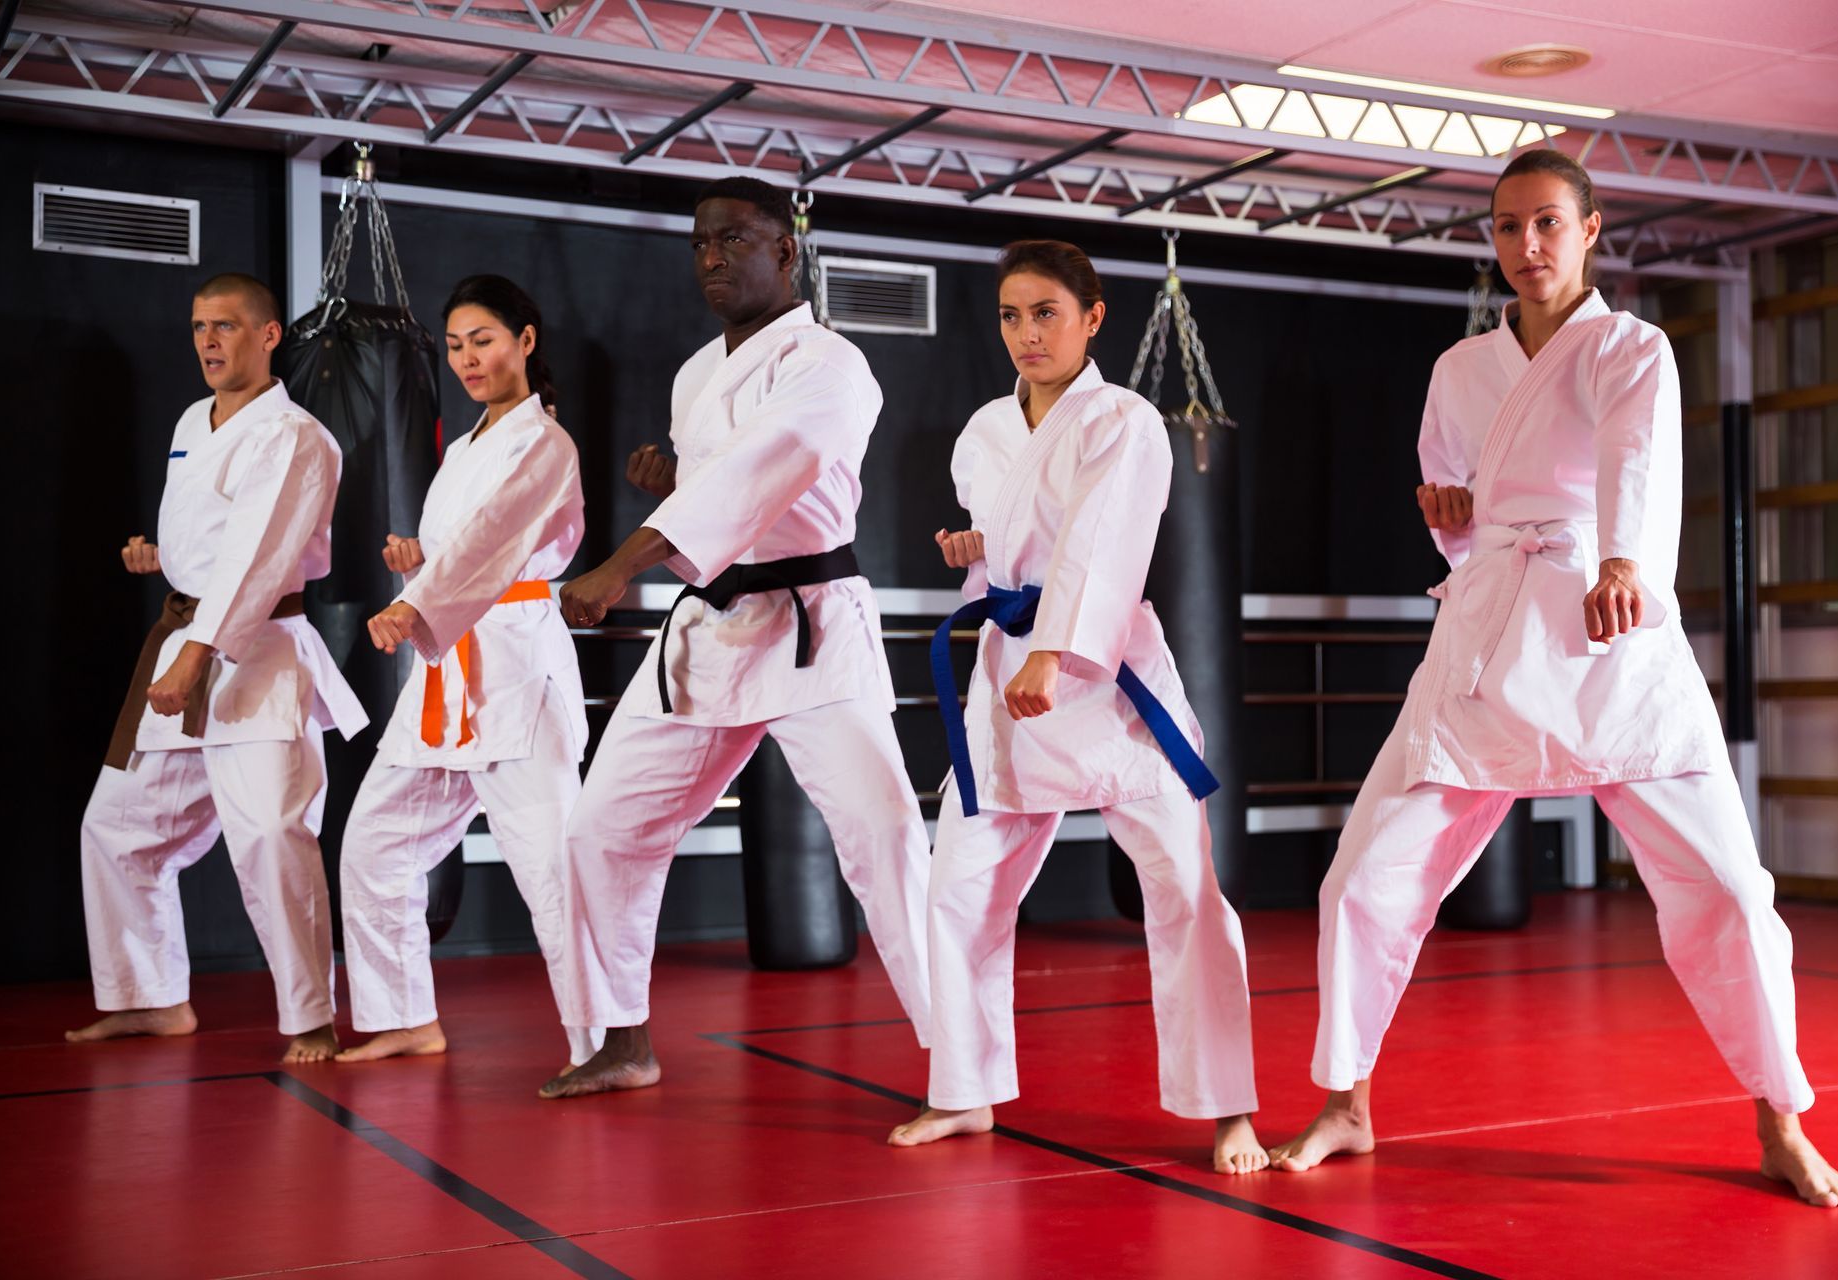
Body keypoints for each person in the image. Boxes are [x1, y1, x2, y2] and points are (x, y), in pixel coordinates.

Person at [1267, 150, 1838, 1210]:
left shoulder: (1632, 348)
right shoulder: (1461, 367)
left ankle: (1782, 1119)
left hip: (1607, 624)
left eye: (1546, 223)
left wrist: (1629, 559)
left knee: (1730, 889)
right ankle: (1348, 1101)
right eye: (1506, 227)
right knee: (1360, 880)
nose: (1526, 246)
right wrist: (1449, 519)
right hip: (1490, 634)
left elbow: (1641, 459)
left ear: (1591, 229)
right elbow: (1459, 500)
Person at [539, 176, 931, 1099]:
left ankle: (959, 1062)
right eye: (700, 246)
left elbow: (766, 472)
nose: (713, 260)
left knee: (884, 836)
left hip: (813, 627)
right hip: (711, 629)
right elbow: (724, 486)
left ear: (785, 253)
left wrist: (621, 562)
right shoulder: (693, 372)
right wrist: (674, 475)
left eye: (734, 242)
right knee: (602, 830)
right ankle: (623, 1039)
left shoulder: (832, 362)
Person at [886, 241, 1267, 1176]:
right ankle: (965, 1091)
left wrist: (1054, 652)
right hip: (1009, 674)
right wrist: (974, 553)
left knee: (1184, 888)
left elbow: (1106, 544)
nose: (1025, 333)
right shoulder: (982, 431)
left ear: (1093, 318)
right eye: (1011, 316)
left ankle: (1230, 1110)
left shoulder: (1125, 419)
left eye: (1045, 313)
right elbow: (1012, 551)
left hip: (1107, 682)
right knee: (960, 886)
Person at [69, 273, 367, 1064]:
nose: (208, 340)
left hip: (257, 652)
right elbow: (215, 538)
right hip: (188, 640)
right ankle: (148, 999)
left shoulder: (296, 436)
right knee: (117, 829)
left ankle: (310, 1016)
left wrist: (201, 651)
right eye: (200, 326)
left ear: (269, 336)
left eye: (227, 326)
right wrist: (165, 557)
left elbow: (261, 554)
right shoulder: (191, 421)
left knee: (272, 833)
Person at [334, 275, 603, 1074]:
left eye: (482, 339)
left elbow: (497, 544)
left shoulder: (546, 444)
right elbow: (465, 549)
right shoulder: (461, 449)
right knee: (374, 848)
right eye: (453, 346)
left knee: (552, 871)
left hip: (516, 671)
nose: (466, 359)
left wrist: (416, 604)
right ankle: (403, 1016)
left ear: (526, 340)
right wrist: (418, 565)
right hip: (447, 675)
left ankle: (603, 1041)